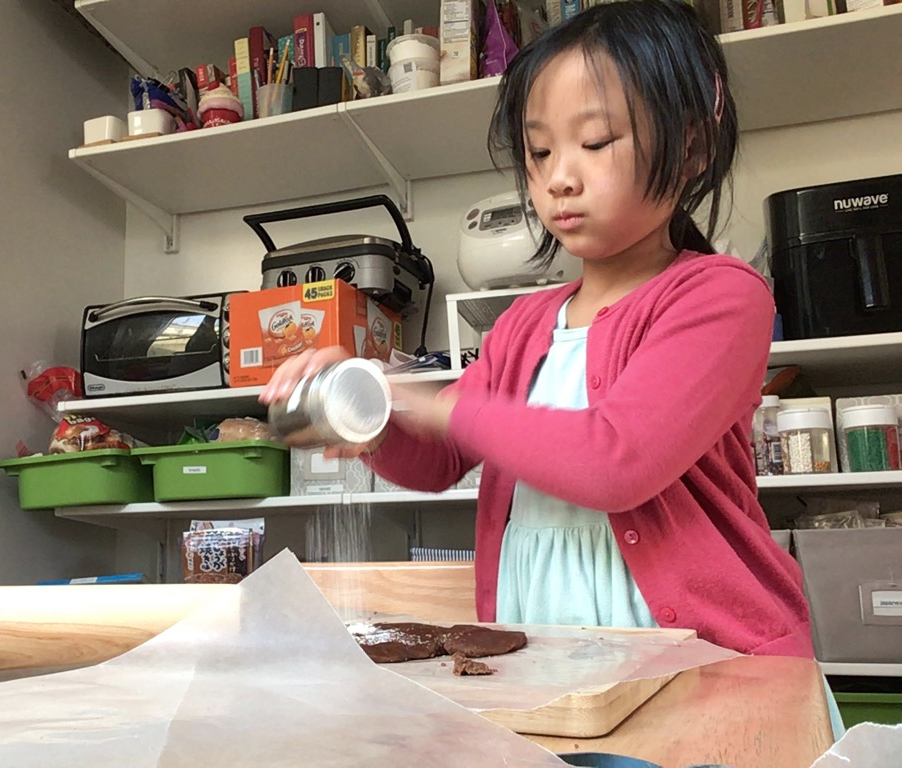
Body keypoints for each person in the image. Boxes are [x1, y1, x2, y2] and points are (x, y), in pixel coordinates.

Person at [261, 0, 812, 660]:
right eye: (540, 152)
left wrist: (432, 403)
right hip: (550, 654)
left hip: (705, 661)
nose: (559, 178)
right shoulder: (524, 324)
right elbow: (440, 462)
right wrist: (372, 419)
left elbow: (616, 462)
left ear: (690, 148)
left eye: (596, 142)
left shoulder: (718, 297)